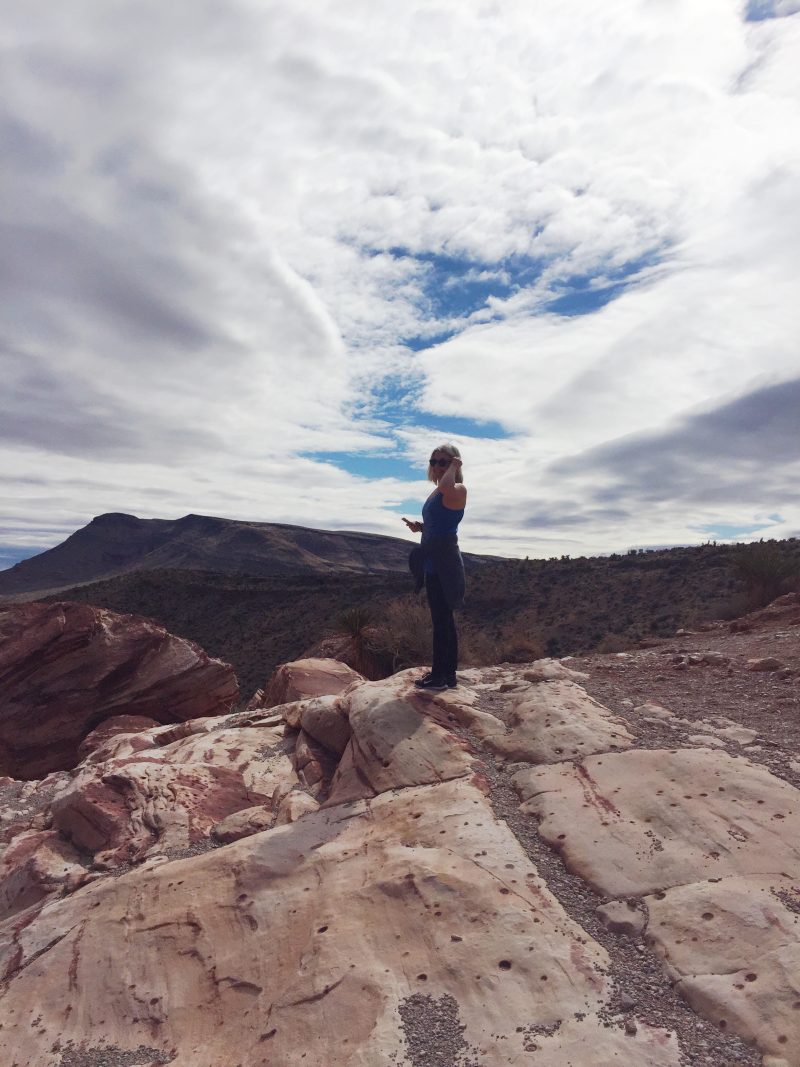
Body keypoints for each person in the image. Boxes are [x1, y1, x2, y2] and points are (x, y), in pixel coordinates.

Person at [403, 444, 467, 690]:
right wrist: (419, 527)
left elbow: (446, 487)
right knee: (442, 619)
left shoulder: (457, 488)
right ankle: (446, 675)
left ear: (453, 463)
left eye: (444, 461)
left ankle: (440, 676)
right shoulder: (437, 492)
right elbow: (439, 522)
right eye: (434, 461)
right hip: (432, 561)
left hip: (445, 562)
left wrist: (455, 466)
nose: (438, 466)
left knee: (442, 621)